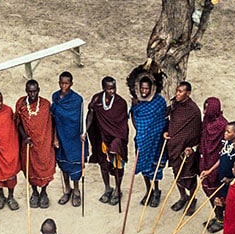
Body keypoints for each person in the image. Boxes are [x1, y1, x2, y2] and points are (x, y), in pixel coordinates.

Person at [85, 76, 129, 205]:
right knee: (103, 164)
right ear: (103, 88)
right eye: (109, 89)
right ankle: (107, 188)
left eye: (114, 88)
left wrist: (117, 142)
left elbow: (122, 126)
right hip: (102, 138)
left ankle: (117, 190)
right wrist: (85, 131)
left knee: (117, 165)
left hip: (116, 140)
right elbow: (91, 115)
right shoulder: (97, 99)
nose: (112, 91)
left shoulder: (121, 103)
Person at [16, 79, 57, 208]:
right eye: (30, 92)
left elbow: (53, 122)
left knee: (46, 167)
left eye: (35, 91)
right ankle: (34, 192)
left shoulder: (45, 105)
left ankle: (44, 192)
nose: (32, 94)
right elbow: (18, 123)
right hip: (29, 144)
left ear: (38, 90)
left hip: (44, 143)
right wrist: (24, 137)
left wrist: (54, 138)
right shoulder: (21, 104)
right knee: (30, 168)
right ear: (26, 91)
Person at [165, 81, 203, 213]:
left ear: (188, 93)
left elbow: (196, 132)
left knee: (189, 177)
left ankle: (192, 199)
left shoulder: (194, 111)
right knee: (176, 174)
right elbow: (169, 121)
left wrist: (192, 147)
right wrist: (166, 131)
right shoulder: (175, 105)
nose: (177, 94)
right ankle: (183, 197)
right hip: (174, 147)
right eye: (177, 91)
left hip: (186, 151)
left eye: (181, 92)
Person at [130, 75, 167, 207]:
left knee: (154, 166)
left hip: (156, 139)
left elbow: (162, 120)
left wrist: (152, 132)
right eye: (142, 88)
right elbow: (134, 117)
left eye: (147, 88)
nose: (144, 91)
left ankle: (156, 190)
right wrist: (140, 130)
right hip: (141, 139)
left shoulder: (159, 102)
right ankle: (148, 190)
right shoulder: (136, 102)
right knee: (143, 165)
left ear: (152, 88)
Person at [201, 121, 235, 233]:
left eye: (228, 132)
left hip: (229, 181)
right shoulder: (227, 143)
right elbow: (222, 159)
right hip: (221, 177)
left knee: (227, 202)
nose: (224, 133)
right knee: (219, 198)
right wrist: (209, 171)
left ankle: (224, 222)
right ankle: (219, 218)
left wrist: (231, 180)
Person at [50, 71, 84, 207]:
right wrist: (55, 138)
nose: (64, 86)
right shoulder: (55, 97)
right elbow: (54, 119)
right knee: (63, 164)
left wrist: (82, 134)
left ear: (71, 84)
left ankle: (76, 190)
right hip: (61, 136)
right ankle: (67, 189)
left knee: (74, 164)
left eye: (67, 83)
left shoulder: (77, 100)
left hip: (74, 137)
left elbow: (80, 119)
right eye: (62, 83)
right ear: (59, 83)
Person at [198, 97, 228, 220]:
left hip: (215, 162)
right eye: (204, 108)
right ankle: (217, 215)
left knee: (216, 192)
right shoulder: (207, 121)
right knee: (208, 190)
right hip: (205, 159)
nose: (204, 112)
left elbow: (225, 145)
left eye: (207, 108)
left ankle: (221, 218)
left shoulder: (223, 125)